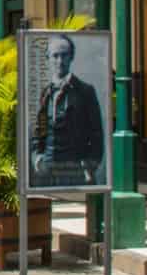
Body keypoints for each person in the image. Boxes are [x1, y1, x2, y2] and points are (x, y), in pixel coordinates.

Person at [29, 34, 105, 186]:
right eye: (55, 56)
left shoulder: (85, 91)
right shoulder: (45, 92)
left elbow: (96, 134)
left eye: (64, 55)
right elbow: (39, 129)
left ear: (71, 57)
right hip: (47, 171)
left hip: (75, 171)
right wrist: (38, 157)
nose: (59, 61)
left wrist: (88, 166)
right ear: (48, 58)